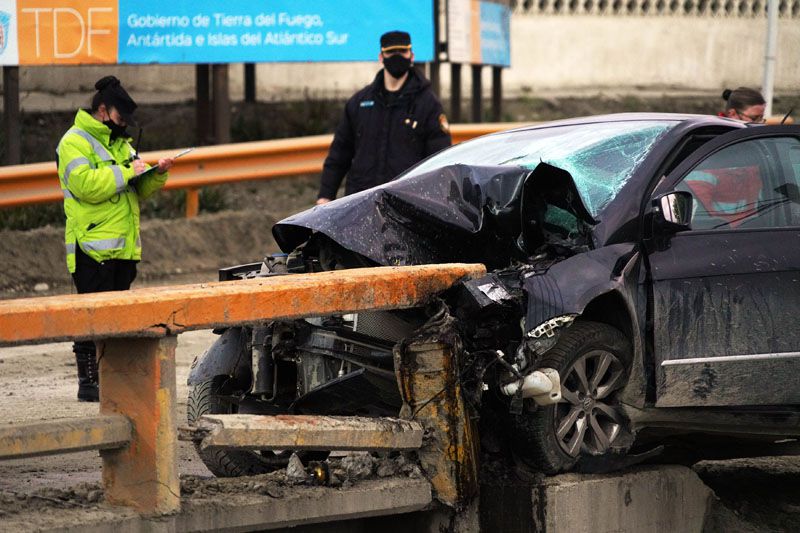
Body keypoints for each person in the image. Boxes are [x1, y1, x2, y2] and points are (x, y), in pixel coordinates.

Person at [55, 75, 174, 402]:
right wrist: (127, 172)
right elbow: (86, 186)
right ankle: (89, 382)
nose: (125, 127)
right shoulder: (73, 142)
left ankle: (115, 379)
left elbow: (138, 189)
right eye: (122, 119)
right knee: (91, 316)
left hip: (123, 247)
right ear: (104, 111)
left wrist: (156, 173)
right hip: (90, 247)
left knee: (118, 318)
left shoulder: (120, 142)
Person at [316, 30, 451, 204]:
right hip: (360, 203)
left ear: (411, 56)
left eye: (402, 52)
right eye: (390, 52)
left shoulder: (428, 104)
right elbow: (339, 154)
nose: (397, 57)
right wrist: (325, 196)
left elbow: (439, 159)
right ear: (381, 57)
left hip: (407, 205)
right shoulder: (359, 103)